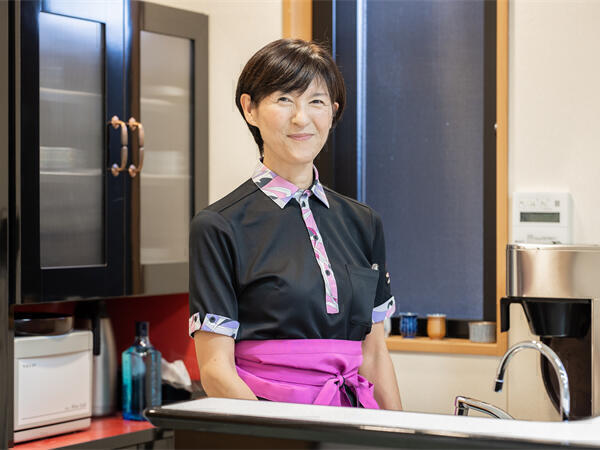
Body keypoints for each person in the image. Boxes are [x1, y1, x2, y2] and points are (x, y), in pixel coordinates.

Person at [189, 39, 402, 410]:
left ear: (333, 112)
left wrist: (401, 433)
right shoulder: (218, 226)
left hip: (352, 424)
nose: (301, 118)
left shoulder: (364, 222)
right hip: (268, 426)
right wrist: (284, 433)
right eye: (284, 99)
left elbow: (375, 355)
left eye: (316, 101)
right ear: (250, 108)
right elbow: (215, 370)